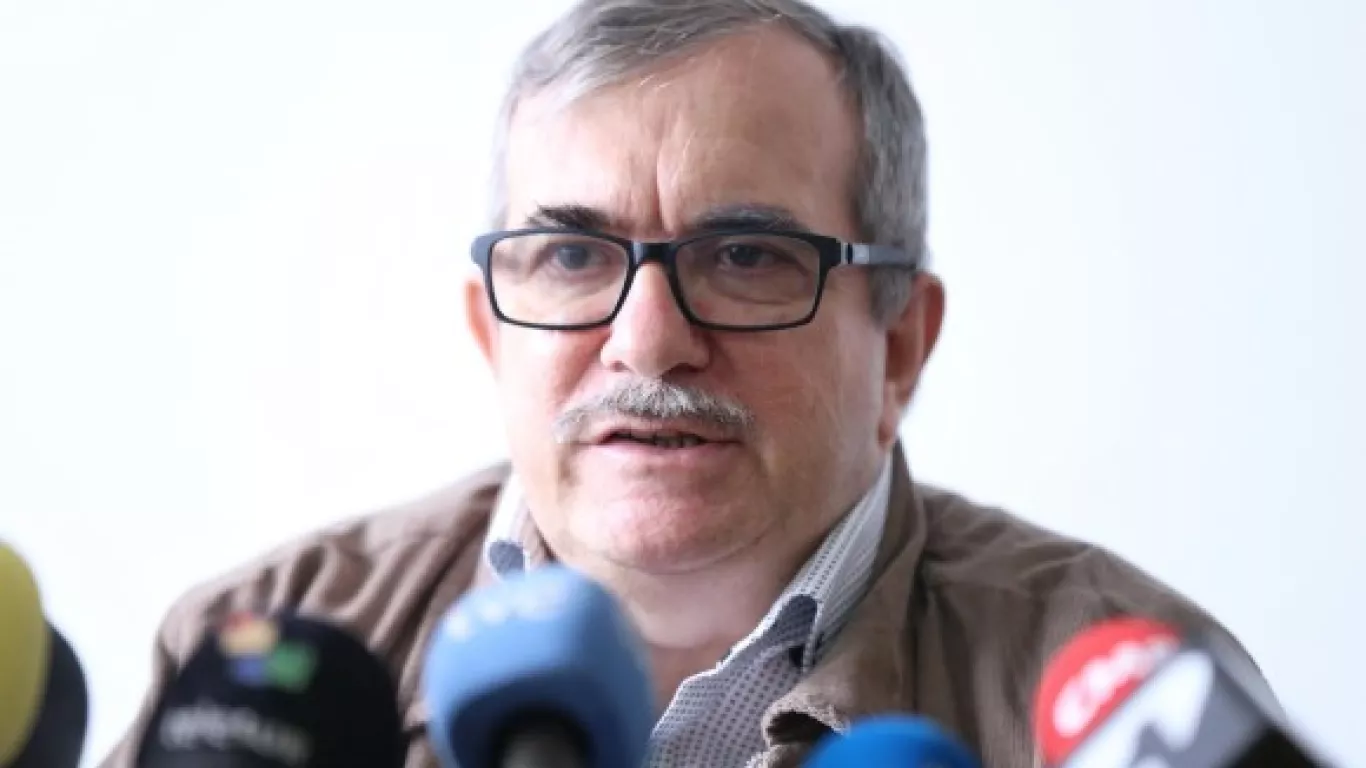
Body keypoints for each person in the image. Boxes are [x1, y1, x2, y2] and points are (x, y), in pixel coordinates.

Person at [101, 1, 1276, 766]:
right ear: (490, 333)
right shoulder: (258, 655)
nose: (647, 341)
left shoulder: (1128, 695)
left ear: (899, 347)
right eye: (572, 255)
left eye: (746, 255)